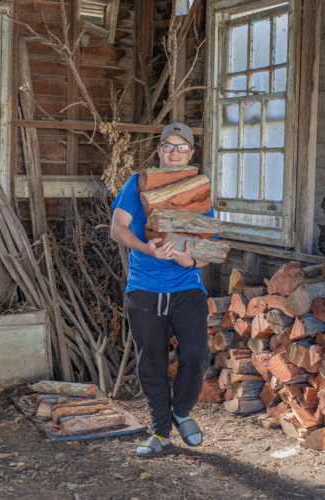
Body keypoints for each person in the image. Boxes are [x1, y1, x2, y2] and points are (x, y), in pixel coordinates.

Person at [111, 122, 213, 456]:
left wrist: (190, 261)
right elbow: (118, 229)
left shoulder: (199, 189)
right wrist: (146, 248)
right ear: (159, 150)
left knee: (197, 354)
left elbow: (208, 251)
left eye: (181, 147)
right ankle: (159, 433)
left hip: (186, 288)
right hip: (144, 288)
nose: (174, 152)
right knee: (151, 362)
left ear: (191, 153)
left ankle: (181, 412)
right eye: (168, 146)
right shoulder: (139, 183)